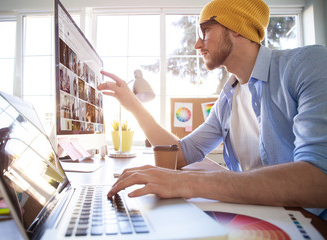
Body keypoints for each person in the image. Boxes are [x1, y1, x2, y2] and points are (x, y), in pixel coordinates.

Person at [97, 0, 327, 219]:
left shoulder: (307, 64)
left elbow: (319, 179)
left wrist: (188, 183)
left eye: (205, 31)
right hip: (261, 219)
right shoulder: (227, 100)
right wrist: (133, 106)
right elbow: (180, 155)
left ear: (236, 27)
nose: (197, 44)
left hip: (312, 225)